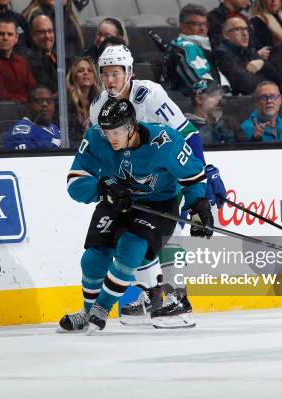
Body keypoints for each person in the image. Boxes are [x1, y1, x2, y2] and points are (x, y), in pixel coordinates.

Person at [89, 45, 227, 328]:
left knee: (169, 231)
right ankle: (151, 294)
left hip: (166, 174)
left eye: (116, 73)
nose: (111, 80)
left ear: (129, 72)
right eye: (106, 74)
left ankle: (177, 300)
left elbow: (187, 133)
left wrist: (199, 172)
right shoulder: (98, 107)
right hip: (134, 179)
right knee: (129, 230)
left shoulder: (149, 96)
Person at [59, 98, 213, 334]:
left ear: (131, 126)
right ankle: (87, 311)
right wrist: (103, 187)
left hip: (158, 204)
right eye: (106, 131)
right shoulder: (95, 139)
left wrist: (198, 207)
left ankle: (100, 310)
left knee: (131, 250)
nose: (111, 138)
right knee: (92, 259)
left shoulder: (166, 141)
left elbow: (193, 176)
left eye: (117, 131)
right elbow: (74, 182)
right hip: (115, 199)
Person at [166, 3, 230, 97]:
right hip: (197, 103)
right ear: (183, 27)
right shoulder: (183, 49)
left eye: (205, 24)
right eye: (197, 24)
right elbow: (201, 87)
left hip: (220, 97)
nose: (203, 28)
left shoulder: (211, 46)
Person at [214, 16, 277, 95]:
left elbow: (277, 76)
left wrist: (263, 64)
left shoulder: (249, 50)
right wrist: (268, 83)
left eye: (246, 29)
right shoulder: (222, 54)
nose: (245, 34)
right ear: (226, 35)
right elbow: (246, 84)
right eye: (238, 29)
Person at [3, 86, 61, 150]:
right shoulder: (20, 134)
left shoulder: (55, 128)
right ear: (28, 105)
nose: (45, 104)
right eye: (39, 101)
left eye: (49, 100)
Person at [66, 56, 100, 147]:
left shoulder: (98, 102)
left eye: (90, 70)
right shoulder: (66, 101)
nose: (86, 73)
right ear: (74, 76)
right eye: (80, 71)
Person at [25, 14, 60, 93]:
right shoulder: (31, 61)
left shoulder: (61, 59)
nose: (47, 36)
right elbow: (51, 89)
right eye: (42, 32)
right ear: (33, 35)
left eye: (50, 31)